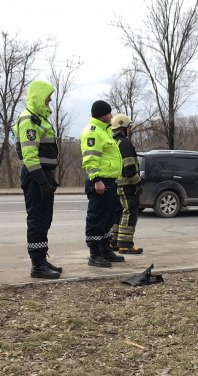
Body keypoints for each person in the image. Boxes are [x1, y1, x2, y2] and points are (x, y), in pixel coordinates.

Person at [14, 80, 61, 279]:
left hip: (42, 174)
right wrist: (42, 182)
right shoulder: (29, 120)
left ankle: (41, 258)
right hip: (35, 175)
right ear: (39, 96)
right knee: (37, 220)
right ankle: (37, 265)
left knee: (44, 220)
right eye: (47, 96)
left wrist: (49, 179)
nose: (50, 100)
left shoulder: (40, 119)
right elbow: (30, 156)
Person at [80, 100, 124, 267]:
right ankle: (95, 254)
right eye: (109, 113)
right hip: (100, 182)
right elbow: (90, 159)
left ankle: (105, 250)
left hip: (109, 182)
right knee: (96, 218)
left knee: (108, 218)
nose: (111, 116)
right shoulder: (93, 132)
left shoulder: (104, 131)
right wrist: (97, 180)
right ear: (102, 114)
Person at [110, 113, 144, 254]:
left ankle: (115, 241)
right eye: (128, 126)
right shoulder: (124, 143)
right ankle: (125, 244)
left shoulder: (113, 142)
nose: (129, 129)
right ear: (122, 127)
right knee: (130, 212)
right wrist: (138, 183)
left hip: (116, 184)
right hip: (126, 185)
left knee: (118, 212)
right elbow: (129, 168)